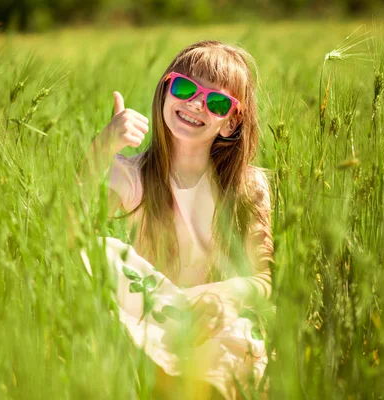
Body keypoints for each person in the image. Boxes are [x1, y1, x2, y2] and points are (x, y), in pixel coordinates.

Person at [85, 40, 273, 400]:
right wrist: (101, 148)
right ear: (165, 90)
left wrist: (228, 294)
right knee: (100, 248)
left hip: (213, 317)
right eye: (185, 87)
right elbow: (71, 228)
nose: (195, 103)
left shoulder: (248, 186)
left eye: (216, 102)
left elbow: (265, 276)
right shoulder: (135, 175)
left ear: (232, 122)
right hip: (151, 311)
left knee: (240, 347)